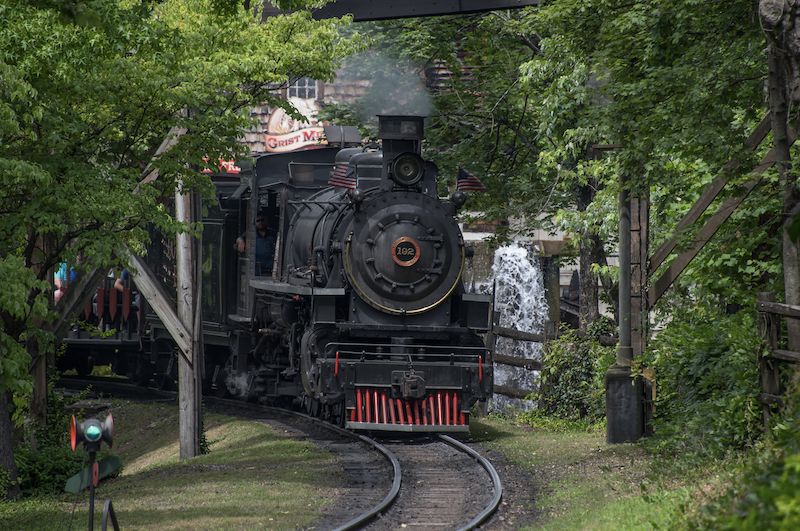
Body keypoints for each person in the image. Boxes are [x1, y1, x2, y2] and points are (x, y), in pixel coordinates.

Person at [237, 212, 276, 276]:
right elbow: (239, 238)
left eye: (262, 220)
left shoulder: (272, 233)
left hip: (270, 260)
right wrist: (241, 242)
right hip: (257, 260)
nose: (260, 222)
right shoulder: (251, 233)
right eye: (258, 221)